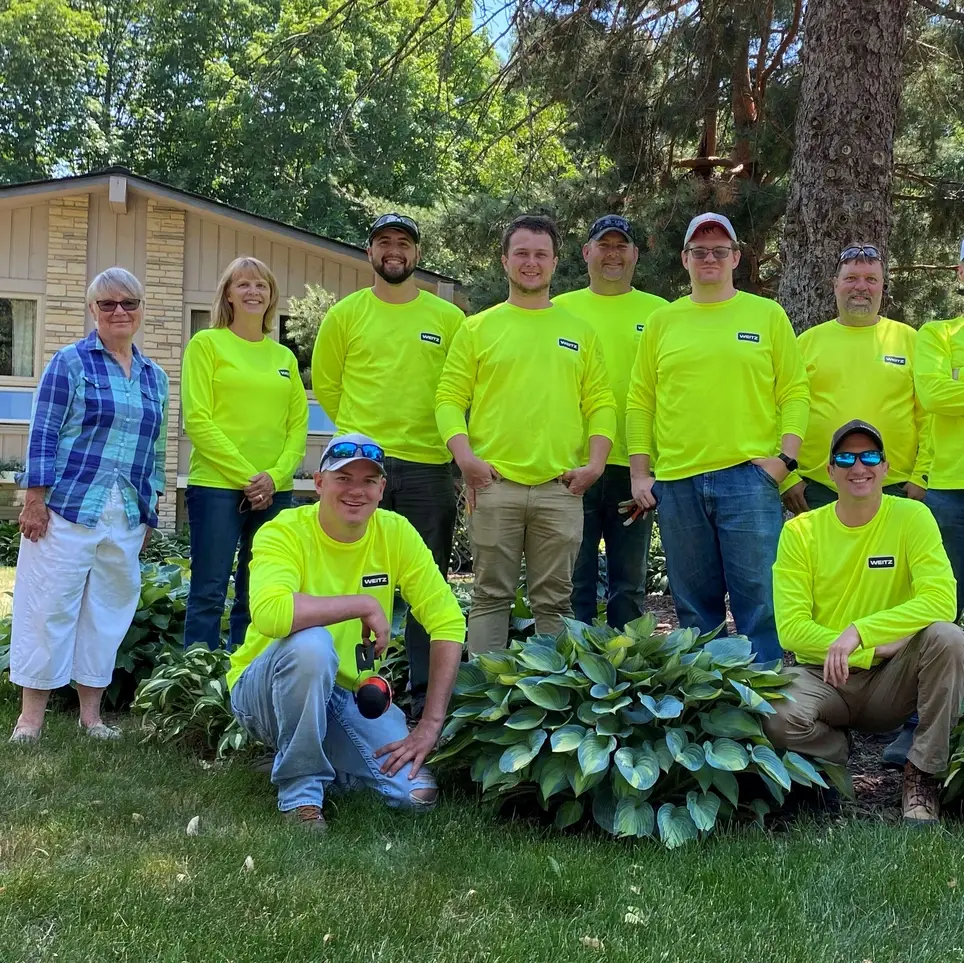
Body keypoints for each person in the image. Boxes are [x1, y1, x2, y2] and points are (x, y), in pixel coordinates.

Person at [227, 433, 465, 831]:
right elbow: (271, 613)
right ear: (319, 483)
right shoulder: (284, 531)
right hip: (264, 690)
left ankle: (300, 757)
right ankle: (301, 796)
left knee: (415, 795)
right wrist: (362, 604)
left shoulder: (396, 532)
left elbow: (448, 621)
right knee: (311, 644)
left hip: (348, 692)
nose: (356, 491)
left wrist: (428, 725)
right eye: (343, 478)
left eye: (369, 480)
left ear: (382, 488)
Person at [626, 212, 809, 662]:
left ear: (736, 258)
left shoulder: (766, 315)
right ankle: (710, 713)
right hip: (679, 482)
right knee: (694, 609)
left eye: (720, 251)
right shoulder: (663, 321)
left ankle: (764, 713)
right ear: (685, 258)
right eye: (701, 250)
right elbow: (639, 401)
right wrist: (639, 474)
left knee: (759, 604)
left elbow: (795, 391)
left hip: (749, 480)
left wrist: (785, 461)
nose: (711, 257)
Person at [765, 420, 964, 824]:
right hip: (824, 676)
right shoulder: (800, 532)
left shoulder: (912, 517)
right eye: (847, 457)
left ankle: (922, 775)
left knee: (949, 637)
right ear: (830, 470)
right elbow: (792, 628)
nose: (860, 466)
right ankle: (836, 753)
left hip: (892, 679)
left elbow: (943, 600)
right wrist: (868, 645)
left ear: (886, 468)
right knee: (772, 714)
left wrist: (860, 634)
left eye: (870, 456)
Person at [436, 214, 616, 654]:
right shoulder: (477, 328)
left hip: (560, 489)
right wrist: (466, 460)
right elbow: (448, 399)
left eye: (540, 254)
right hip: (494, 485)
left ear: (555, 262)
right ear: (505, 261)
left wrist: (595, 465)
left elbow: (601, 403)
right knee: (489, 598)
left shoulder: (579, 331)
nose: (531, 263)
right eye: (521, 253)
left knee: (555, 604)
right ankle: (484, 704)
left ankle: (550, 709)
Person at [311, 214, 464, 718]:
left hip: (427, 466)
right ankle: (346, 688)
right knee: (348, 582)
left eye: (403, 243)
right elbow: (329, 388)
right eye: (383, 243)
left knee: (426, 584)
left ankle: (422, 696)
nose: (393, 250)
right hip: (360, 469)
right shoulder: (345, 315)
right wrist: (363, 443)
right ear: (369, 253)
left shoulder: (447, 319)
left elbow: (462, 389)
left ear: (417, 254)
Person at [9, 267, 169, 743]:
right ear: (92, 310)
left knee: (108, 611)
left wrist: (148, 512)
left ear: (141, 310)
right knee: (48, 607)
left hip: (124, 513)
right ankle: (30, 719)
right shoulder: (70, 362)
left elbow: (155, 450)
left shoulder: (154, 376)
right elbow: (42, 432)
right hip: (67, 507)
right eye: (107, 304)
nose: (119, 311)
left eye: (129, 303)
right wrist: (34, 499)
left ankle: (91, 717)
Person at [182, 256, 308, 650]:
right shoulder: (206, 344)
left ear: (271, 297)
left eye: (261, 285)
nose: (253, 292)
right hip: (217, 487)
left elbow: (297, 428)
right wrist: (249, 478)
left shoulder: (284, 358)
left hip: (276, 490)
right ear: (229, 295)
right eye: (244, 285)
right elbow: (198, 420)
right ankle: (196, 679)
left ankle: (248, 674)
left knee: (260, 590)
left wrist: (275, 476)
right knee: (209, 588)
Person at [554, 215, 668, 628]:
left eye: (622, 246)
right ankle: (577, 671)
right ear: (587, 252)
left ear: (636, 254)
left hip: (635, 468)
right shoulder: (559, 309)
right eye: (604, 245)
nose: (613, 254)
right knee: (574, 578)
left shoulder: (660, 313)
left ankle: (626, 671)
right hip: (573, 466)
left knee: (630, 583)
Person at [782, 243, 929, 514]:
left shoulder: (911, 340)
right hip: (818, 490)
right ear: (835, 284)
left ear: (882, 287)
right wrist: (787, 477)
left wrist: (922, 475)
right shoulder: (805, 343)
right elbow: (779, 411)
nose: (861, 286)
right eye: (851, 278)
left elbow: (928, 416)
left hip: (895, 488)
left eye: (871, 279)